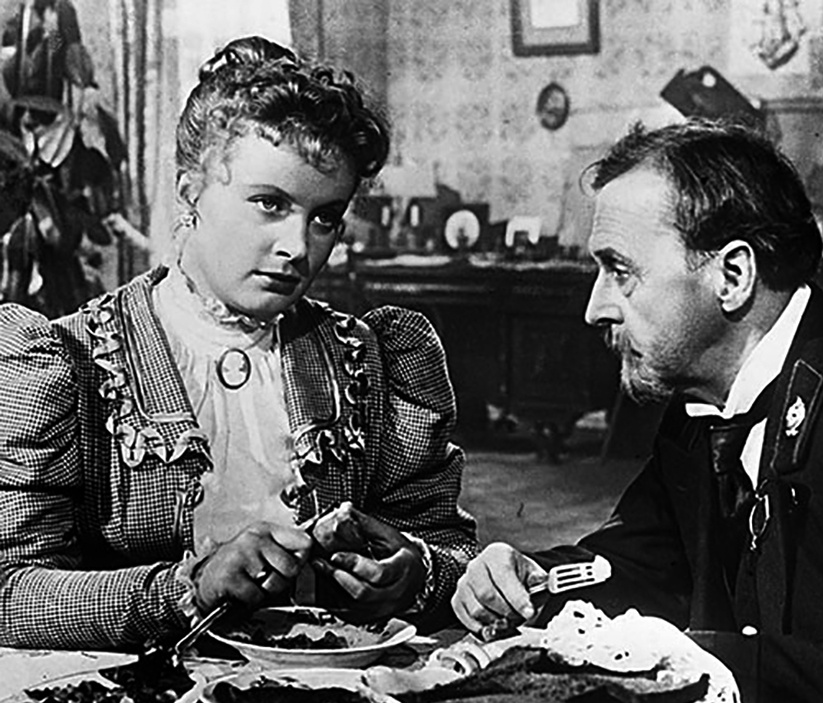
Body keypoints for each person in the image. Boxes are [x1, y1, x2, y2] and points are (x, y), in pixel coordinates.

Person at [0, 35, 477, 651]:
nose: (297, 247)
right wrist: (187, 589)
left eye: (325, 218)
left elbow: (454, 556)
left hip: (330, 688)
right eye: (269, 204)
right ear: (190, 191)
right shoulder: (68, 363)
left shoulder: (373, 360)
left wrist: (416, 575)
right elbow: (8, 595)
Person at [451, 119, 823, 703]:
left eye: (619, 270)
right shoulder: (702, 398)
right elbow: (641, 562)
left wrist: (670, 662)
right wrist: (534, 579)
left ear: (732, 276)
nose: (595, 309)